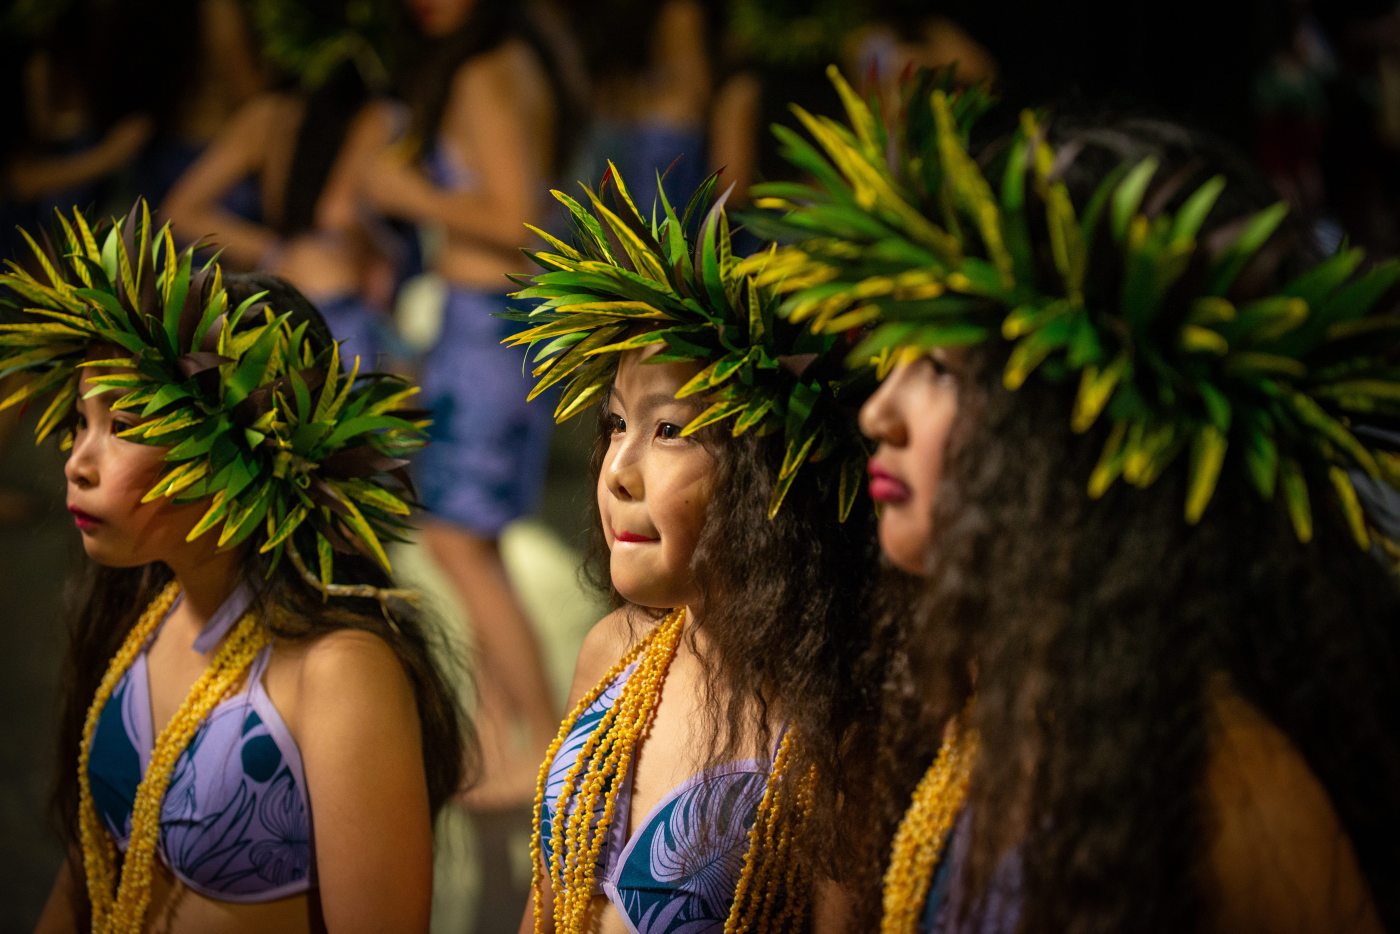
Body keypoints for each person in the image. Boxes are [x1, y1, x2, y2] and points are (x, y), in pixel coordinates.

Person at [753, 69, 1400, 931]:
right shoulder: (999, 710)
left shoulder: (1239, 802)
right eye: (891, 365)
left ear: (1087, 431)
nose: (878, 410)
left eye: (941, 371)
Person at [4, 204, 469, 933]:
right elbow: (86, 876)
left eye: (123, 426)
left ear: (246, 453)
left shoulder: (338, 672)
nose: (77, 461)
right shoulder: (139, 614)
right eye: (78, 423)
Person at [509, 169, 883, 932]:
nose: (617, 471)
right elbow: (545, 908)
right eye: (616, 425)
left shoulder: (830, 724)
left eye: (669, 429)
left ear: (767, 473)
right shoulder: (611, 651)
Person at [362, 0, 571, 807]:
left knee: (460, 540)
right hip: (478, 322)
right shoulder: (507, 60)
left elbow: (518, 218)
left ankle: (547, 742)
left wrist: (404, 192)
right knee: (464, 538)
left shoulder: (487, 71)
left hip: (488, 328)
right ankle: (493, 730)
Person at [163, 5, 397, 374]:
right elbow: (337, 212)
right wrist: (385, 253)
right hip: (337, 302)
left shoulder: (266, 115)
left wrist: (273, 251)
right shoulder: (380, 116)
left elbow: (179, 211)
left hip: (274, 304)